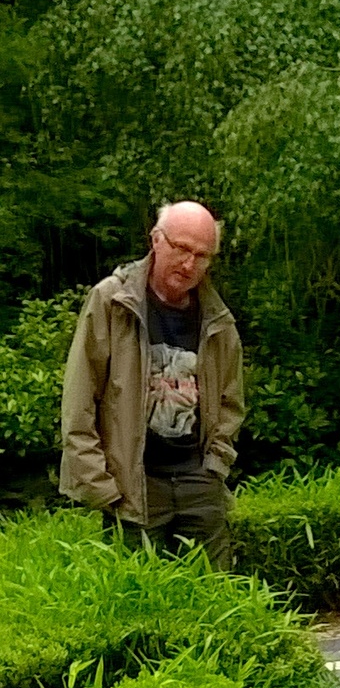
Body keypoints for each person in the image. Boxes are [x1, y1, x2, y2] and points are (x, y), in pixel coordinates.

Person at [60, 201, 245, 570]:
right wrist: (101, 486)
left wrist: (216, 463)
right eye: (180, 248)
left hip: (199, 480)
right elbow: (80, 397)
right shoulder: (112, 301)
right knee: (138, 603)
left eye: (201, 255)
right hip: (133, 483)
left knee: (217, 593)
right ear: (156, 241)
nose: (189, 264)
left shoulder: (218, 318)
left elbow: (231, 400)